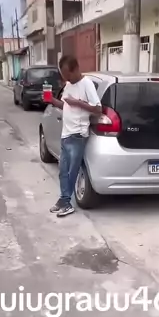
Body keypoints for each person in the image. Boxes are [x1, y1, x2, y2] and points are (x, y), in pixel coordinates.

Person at [49, 55, 102, 218]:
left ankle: (67, 203)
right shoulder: (68, 85)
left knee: (72, 171)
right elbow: (66, 105)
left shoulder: (87, 84)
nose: (66, 78)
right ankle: (63, 200)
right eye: (63, 75)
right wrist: (52, 100)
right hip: (66, 134)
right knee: (62, 171)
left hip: (78, 135)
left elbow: (98, 109)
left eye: (68, 75)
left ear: (76, 69)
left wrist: (78, 103)